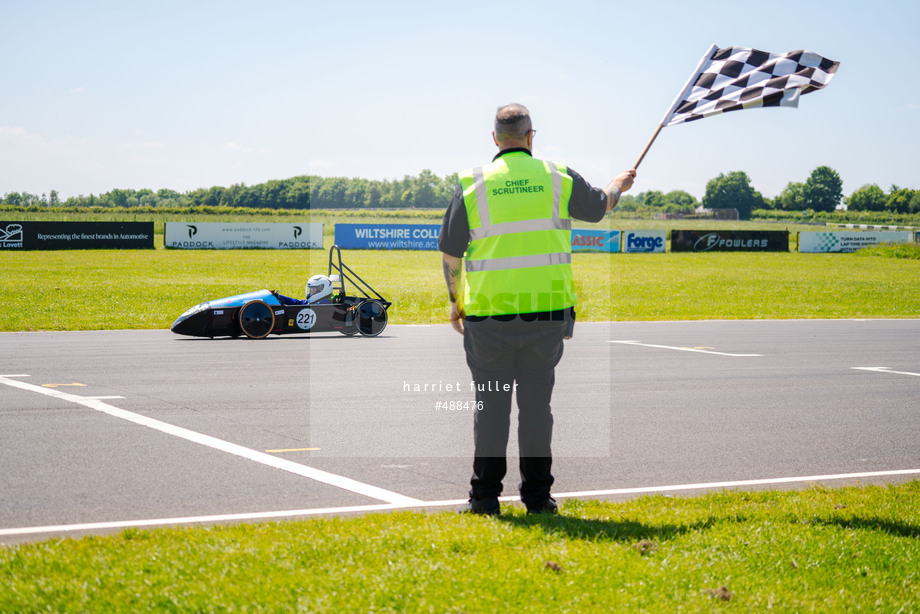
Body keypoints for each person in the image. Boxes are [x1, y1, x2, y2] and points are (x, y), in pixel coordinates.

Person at [438, 103, 636, 516]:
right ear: (531, 137)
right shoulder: (557, 176)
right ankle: (538, 498)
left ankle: (486, 498)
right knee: (536, 411)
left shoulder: (472, 184)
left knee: (490, 409)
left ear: (495, 139)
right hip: (547, 315)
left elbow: (451, 254)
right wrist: (618, 184)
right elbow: (602, 206)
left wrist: (455, 303)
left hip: (489, 316)